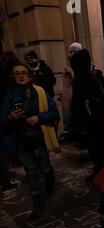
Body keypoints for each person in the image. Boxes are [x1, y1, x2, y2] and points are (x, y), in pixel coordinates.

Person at [0, 63, 60, 219]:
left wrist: (39, 117)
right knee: (32, 173)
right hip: (22, 142)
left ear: (29, 75)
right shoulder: (9, 97)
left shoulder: (40, 92)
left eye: (24, 73)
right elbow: (3, 124)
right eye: (17, 73)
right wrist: (10, 118)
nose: (21, 76)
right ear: (13, 77)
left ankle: (49, 180)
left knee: (45, 168)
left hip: (41, 139)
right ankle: (38, 207)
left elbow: (54, 113)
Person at [70, 49, 104, 178]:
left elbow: (78, 100)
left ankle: (100, 170)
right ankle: (102, 168)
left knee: (96, 145)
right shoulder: (92, 75)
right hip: (97, 115)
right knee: (99, 144)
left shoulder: (81, 77)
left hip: (90, 117)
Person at [0, 52, 21, 193]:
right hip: (6, 118)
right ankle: (5, 181)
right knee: (3, 150)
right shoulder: (6, 80)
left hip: (6, 117)